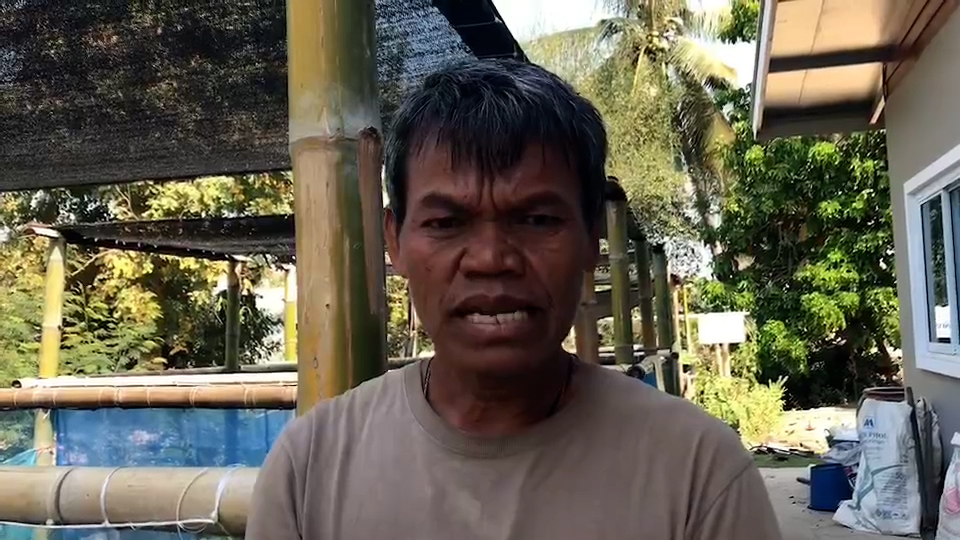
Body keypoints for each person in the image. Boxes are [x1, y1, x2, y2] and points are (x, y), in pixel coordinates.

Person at [247, 59, 783, 540]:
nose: (490, 258)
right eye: (446, 223)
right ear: (395, 241)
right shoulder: (309, 471)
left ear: (591, 239)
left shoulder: (696, 473)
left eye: (537, 219)